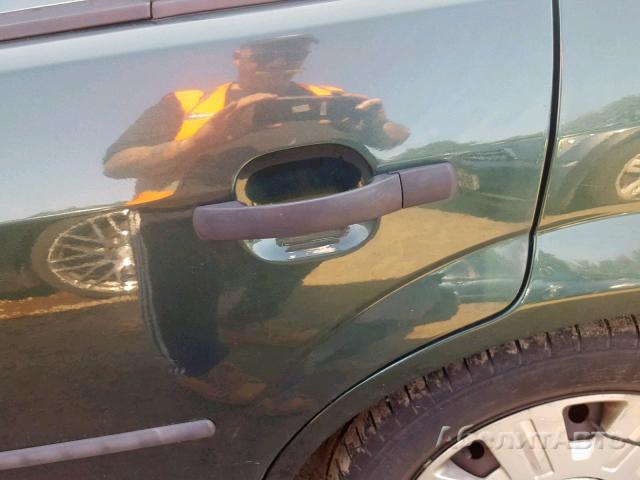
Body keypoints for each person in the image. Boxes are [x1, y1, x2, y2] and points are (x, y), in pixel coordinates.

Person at [103, 34, 409, 204]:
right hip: (196, 223)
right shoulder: (185, 102)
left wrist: (379, 127)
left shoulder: (331, 98)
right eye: (264, 54)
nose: (278, 63)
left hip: (321, 215)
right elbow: (116, 164)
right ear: (237, 56)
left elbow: (395, 137)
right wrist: (196, 143)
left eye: (293, 55)